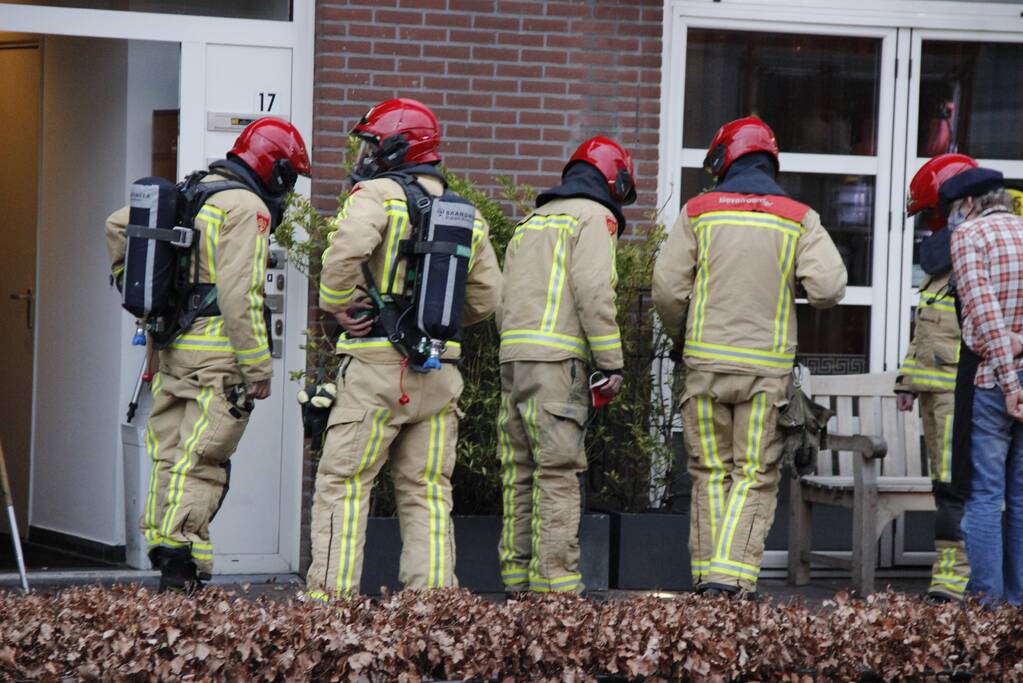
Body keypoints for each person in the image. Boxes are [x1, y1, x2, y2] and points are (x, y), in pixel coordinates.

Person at [105, 117, 311, 593]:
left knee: (171, 456)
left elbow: (117, 225)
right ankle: (180, 564)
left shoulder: (193, 190)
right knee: (203, 460)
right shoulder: (247, 208)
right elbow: (241, 294)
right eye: (290, 177)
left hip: (174, 351)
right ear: (275, 171)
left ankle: (174, 561)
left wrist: (127, 285)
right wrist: (259, 367)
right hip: (220, 359)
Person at [306, 98, 501, 599]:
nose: (365, 152)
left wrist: (337, 303)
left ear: (397, 145)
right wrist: (433, 324)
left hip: (374, 368)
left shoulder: (377, 194)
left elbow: (347, 249)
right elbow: (487, 297)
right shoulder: (466, 212)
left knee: (345, 486)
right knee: (428, 493)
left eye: (372, 142)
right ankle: (431, 612)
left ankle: (329, 607)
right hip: (439, 372)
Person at [652, 116, 847, 597]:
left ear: (724, 158)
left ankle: (707, 578)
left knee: (709, 472)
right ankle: (731, 579)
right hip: (766, 372)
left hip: (704, 369)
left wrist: (684, 333)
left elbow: (667, 290)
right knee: (754, 475)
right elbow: (828, 288)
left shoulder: (699, 211)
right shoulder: (797, 217)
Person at [496, 136, 634, 595]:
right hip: (557, 366)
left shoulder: (531, 221)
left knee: (518, 471)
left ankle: (516, 581)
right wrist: (611, 362)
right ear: (613, 180)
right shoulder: (595, 217)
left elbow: (502, 296)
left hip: (513, 361)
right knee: (556, 473)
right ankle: (556, 589)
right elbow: (594, 290)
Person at [896, 153, 977, 602]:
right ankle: (951, 578)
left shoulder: (970, 255)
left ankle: (953, 583)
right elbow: (928, 328)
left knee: (954, 489)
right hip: (935, 393)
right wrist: (908, 382)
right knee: (945, 486)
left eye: (930, 212)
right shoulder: (946, 266)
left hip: (956, 395)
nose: (928, 224)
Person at [947, 167, 1023, 605]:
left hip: (993, 380)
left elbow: (985, 314)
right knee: (1020, 496)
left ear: (970, 204)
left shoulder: (971, 236)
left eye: (957, 210)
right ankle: (1016, 602)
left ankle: (985, 605)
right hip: (1013, 375)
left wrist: (1011, 382)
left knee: (984, 495)